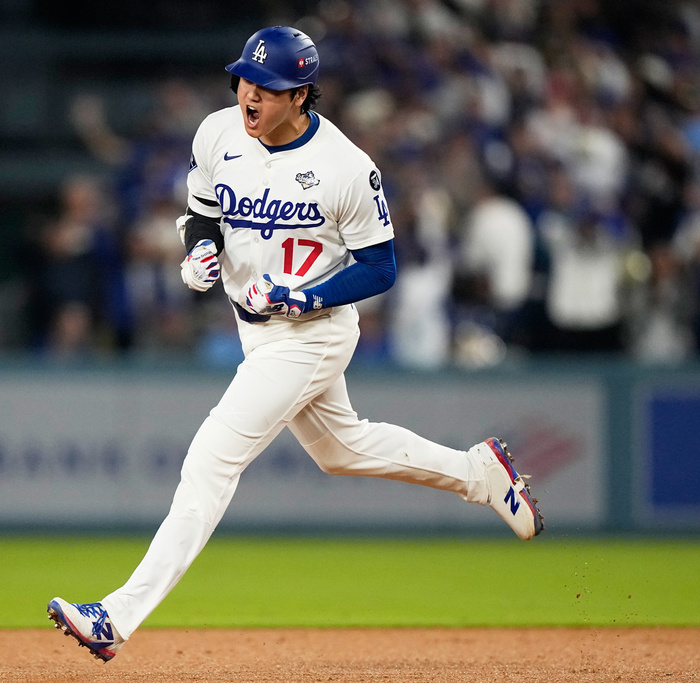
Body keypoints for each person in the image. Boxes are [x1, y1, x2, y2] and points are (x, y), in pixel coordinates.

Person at [47, 26, 544, 663]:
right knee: (342, 449)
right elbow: (203, 213)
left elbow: (380, 267)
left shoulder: (346, 167)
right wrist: (200, 251)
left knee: (210, 461)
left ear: (301, 95)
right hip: (257, 331)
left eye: (268, 87)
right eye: (245, 81)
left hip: (314, 332)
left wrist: (303, 297)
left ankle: (115, 617)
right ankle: (480, 473)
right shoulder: (218, 133)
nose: (250, 95)